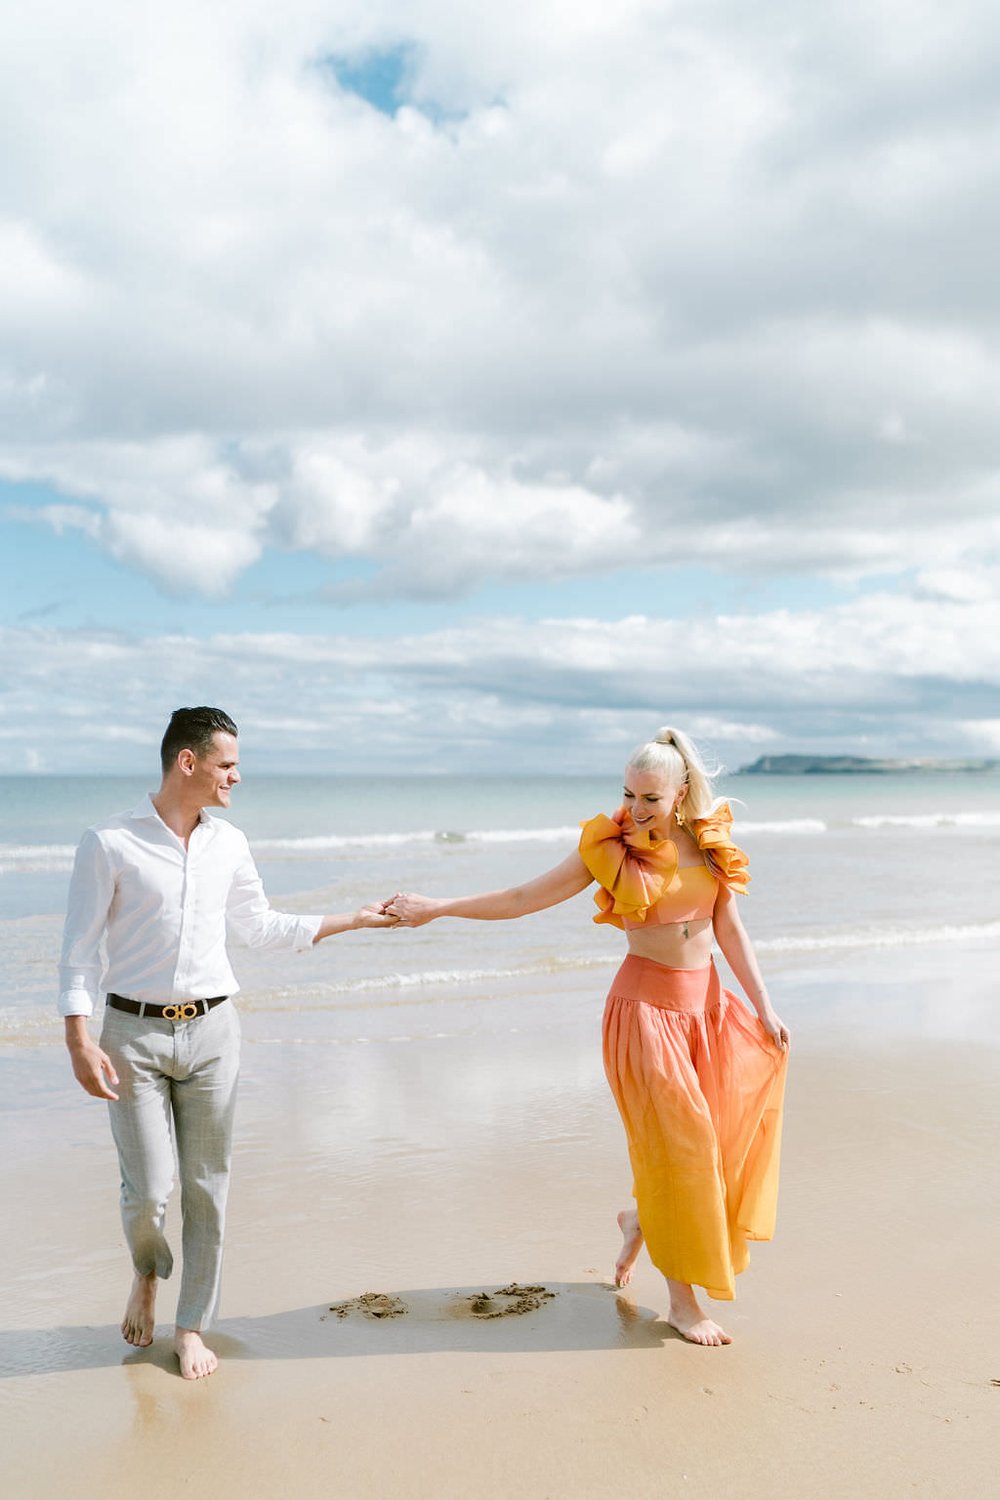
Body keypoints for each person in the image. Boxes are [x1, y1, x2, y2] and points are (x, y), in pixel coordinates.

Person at [386, 726, 789, 1346]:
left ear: (681, 793)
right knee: (682, 1153)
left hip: (708, 1010)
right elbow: (523, 896)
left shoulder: (710, 841)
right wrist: (438, 906)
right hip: (645, 1016)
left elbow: (730, 927)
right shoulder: (611, 846)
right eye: (628, 793)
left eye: (651, 798)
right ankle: (681, 1302)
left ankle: (638, 1222)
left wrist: (763, 1004)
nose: (635, 809)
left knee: (714, 1146)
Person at [59, 706, 397, 1379]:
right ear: (189, 762)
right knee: (151, 1190)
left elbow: (262, 926)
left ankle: (191, 1326)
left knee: (208, 1188)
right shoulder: (109, 843)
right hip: (133, 1034)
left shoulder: (230, 843)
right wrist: (78, 1038)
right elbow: (77, 951)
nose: (236, 777)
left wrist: (352, 920)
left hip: (215, 1030)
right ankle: (148, 1272)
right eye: (228, 764)